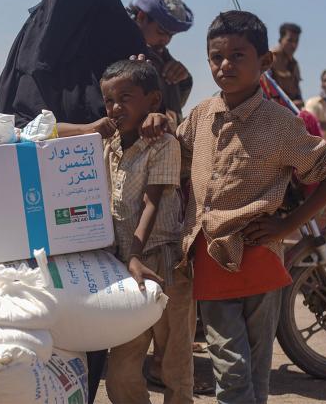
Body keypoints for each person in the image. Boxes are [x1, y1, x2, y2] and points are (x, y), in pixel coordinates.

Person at [0, 0, 163, 401]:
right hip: (30, 207)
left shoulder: (126, 43)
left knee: (87, 316)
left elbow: (151, 116)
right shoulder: (30, 38)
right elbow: (3, 121)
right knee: (30, 314)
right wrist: (74, 131)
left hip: (100, 210)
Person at [176, 10, 326, 403]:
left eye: (238, 55)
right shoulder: (201, 116)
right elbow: (176, 154)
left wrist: (287, 226)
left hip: (260, 258)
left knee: (256, 367)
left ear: (264, 62)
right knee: (231, 368)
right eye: (216, 57)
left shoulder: (281, 123)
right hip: (212, 256)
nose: (225, 65)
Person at [59, 60, 191, 404]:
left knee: (175, 367)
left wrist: (134, 256)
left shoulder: (164, 144)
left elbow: (152, 202)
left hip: (163, 264)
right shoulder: (107, 144)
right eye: (108, 100)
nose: (116, 107)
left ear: (153, 100)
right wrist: (90, 126)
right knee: (120, 376)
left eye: (125, 97)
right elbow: (46, 132)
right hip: (123, 268)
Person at [128, 0, 194, 127]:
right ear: (141, 17)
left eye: (171, 35)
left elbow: (174, 106)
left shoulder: (163, 57)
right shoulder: (121, 50)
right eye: (161, 32)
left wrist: (184, 79)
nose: (166, 40)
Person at [269, 23, 303, 107]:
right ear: (281, 39)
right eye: (290, 40)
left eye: (296, 41)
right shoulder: (269, 59)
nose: (293, 45)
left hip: (290, 112)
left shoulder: (294, 64)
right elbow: (264, 92)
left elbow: (297, 94)